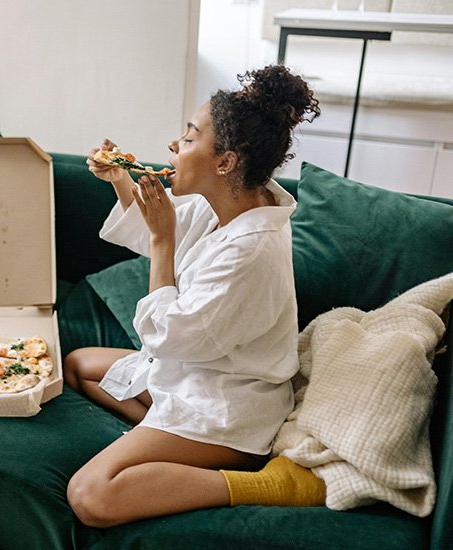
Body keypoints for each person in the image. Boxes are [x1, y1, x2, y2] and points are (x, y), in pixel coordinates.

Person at [64, 65, 325, 527]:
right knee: (78, 365)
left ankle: (258, 478)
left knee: (90, 495)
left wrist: (164, 244)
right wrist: (121, 178)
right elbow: (155, 227)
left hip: (227, 408)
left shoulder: (251, 250)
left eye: (188, 138)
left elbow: (168, 334)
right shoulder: (229, 201)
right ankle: (162, 439)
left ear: (225, 162)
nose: (173, 146)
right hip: (191, 373)